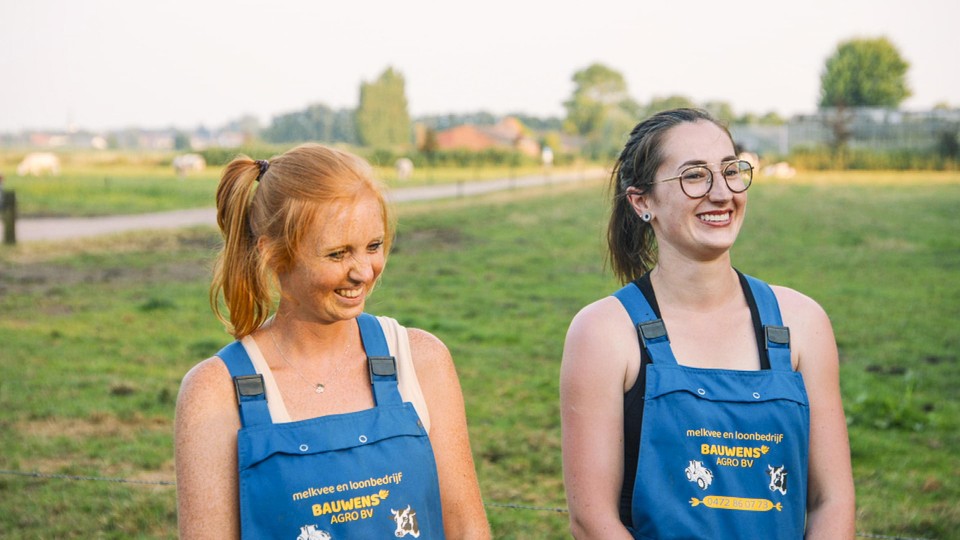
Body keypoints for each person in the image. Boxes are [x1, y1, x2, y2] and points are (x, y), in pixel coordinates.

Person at [560, 109, 855, 539]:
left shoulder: (801, 323)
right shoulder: (603, 333)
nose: (722, 193)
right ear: (642, 202)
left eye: (731, 170)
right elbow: (592, 521)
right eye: (694, 176)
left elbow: (832, 501)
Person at [175, 143, 490, 539]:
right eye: (338, 254)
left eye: (373, 246)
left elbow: (467, 528)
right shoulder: (215, 393)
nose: (363, 272)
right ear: (273, 254)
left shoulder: (422, 361)